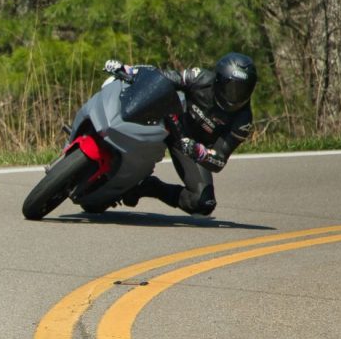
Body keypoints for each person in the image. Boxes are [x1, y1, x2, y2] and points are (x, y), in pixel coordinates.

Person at [107, 52, 257, 217]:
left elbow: (220, 159)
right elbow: (165, 77)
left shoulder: (243, 120)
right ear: (218, 80)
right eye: (232, 88)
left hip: (189, 145)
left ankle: (148, 186)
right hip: (168, 118)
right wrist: (129, 71)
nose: (236, 96)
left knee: (203, 202)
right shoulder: (200, 77)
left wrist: (200, 152)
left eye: (243, 90)